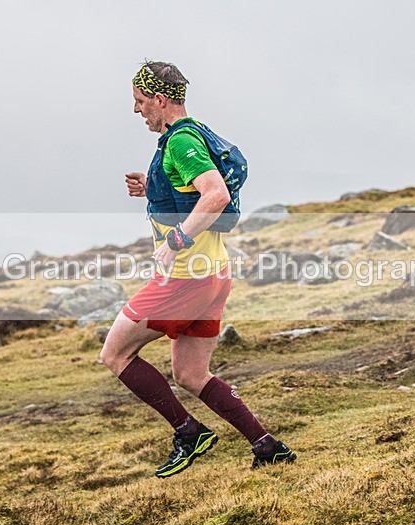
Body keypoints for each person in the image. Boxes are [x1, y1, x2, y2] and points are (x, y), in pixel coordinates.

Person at [99, 60, 296, 477]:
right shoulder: (192, 134)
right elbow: (191, 195)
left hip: (186, 278)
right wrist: (152, 189)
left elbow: (215, 194)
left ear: (159, 99)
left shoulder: (181, 141)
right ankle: (267, 447)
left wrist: (177, 240)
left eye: (139, 101)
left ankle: (188, 432)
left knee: (115, 353)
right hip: (214, 274)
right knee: (190, 374)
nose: (136, 110)